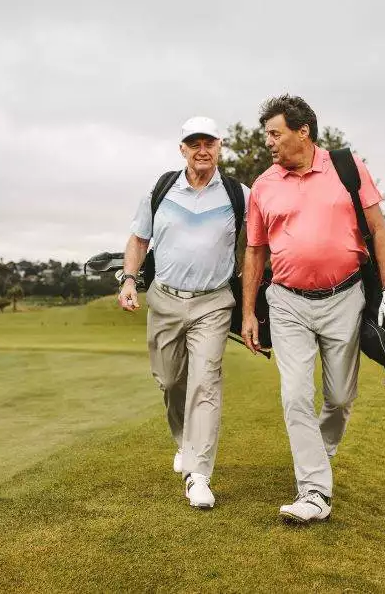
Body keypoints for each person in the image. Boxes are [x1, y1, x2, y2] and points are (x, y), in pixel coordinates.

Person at [241, 95, 385, 523]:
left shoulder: (347, 167)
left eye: (275, 133)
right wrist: (247, 313)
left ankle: (318, 454)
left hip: (344, 298)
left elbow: (379, 230)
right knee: (295, 394)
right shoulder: (263, 185)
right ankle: (314, 491)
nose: (269, 142)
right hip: (286, 303)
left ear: (303, 132)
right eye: (267, 135)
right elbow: (254, 253)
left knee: (339, 397)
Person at [118, 116, 250, 509]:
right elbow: (139, 240)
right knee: (170, 380)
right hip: (165, 300)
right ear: (182, 149)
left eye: (208, 142)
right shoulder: (161, 191)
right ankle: (183, 442)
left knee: (205, 384)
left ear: (219, 146)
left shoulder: (237, 194)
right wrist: (128, 280)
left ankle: (198, 474)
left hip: (213, 301)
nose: (201, 149)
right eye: (193, 143)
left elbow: (256, 245)